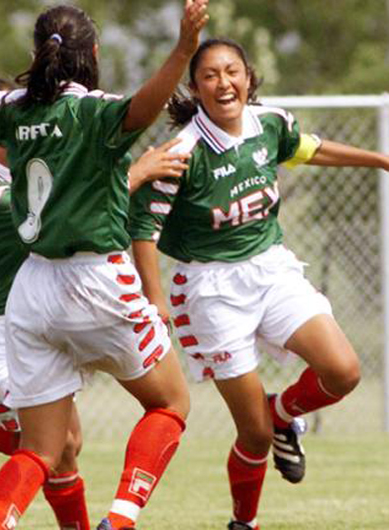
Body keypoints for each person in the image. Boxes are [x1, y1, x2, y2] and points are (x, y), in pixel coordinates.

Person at [0, 2, 208, 529]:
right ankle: (117, 523)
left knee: (41, 451)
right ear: (92, 53)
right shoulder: (95, 111)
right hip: (96, 280)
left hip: (32, 290)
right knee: (170, 404)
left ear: (37, 54)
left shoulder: (14, 108)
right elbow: (148, 102)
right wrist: (184, 48)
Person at [128, 38, 387, 530]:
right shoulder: (183, 151)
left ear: (248, 76)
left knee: (344, 371)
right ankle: (244, 522)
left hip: (270, 268)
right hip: (211, 290)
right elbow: (144, 228)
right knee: (254, 436)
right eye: (210, 75)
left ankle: (284, 410)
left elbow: (307, 149)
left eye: (232, 72)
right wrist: (155, 298)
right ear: (195, 87)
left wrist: (380, 160)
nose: (223, 83)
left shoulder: (272, 124)